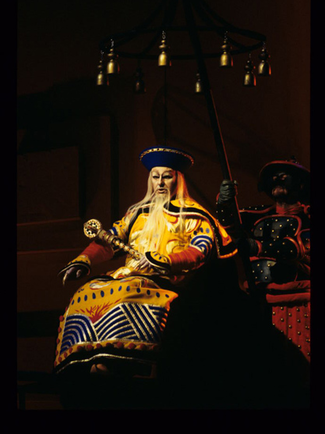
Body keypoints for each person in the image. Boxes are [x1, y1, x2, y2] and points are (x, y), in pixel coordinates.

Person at [54, 146, 237, 390]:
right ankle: (86, 357)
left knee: (128, 295)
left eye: (167, 176)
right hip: (126, 276)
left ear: (178, 179)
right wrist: (83, 260)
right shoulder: (136, 213)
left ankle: (128, 360)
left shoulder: (194, 215)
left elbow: (200, 249)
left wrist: (165, 261)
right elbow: (109, 240)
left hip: (166, 281)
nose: (160, 182)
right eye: (155, 176)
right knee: (87, 291)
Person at [216, 156, 310, 406]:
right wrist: (225, 202)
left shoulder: (309, 216)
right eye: (274, 176)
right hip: (257, 298)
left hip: (297, 298)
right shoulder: (257, 215)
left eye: (285, 175)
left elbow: (299, 248)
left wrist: (257, 245)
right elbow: (228, 227)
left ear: (300, 183)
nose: (278, 180)